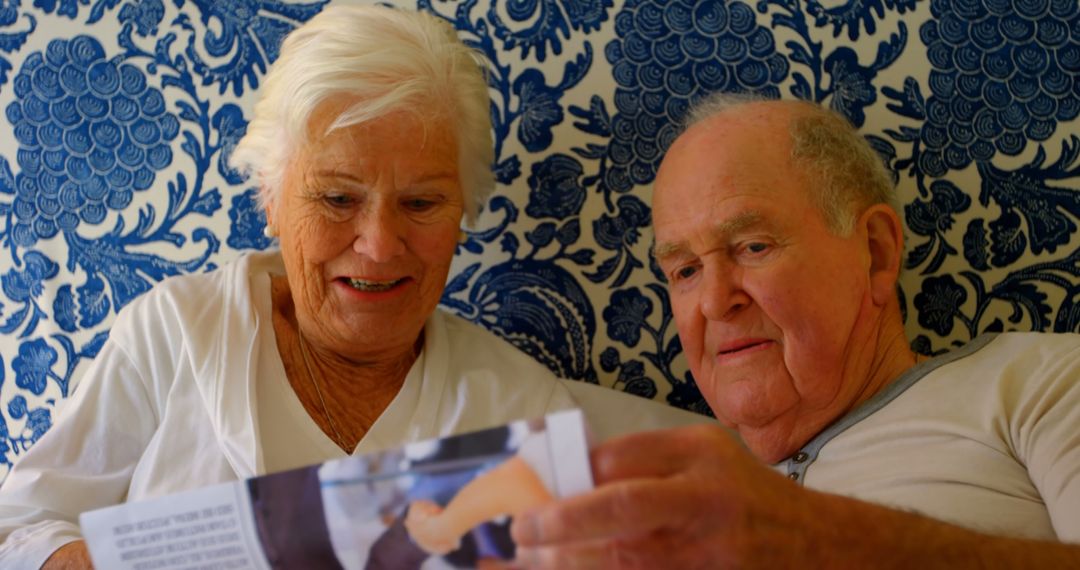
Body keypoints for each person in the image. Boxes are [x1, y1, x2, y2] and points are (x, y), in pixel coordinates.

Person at [0, 6, 705, 568]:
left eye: (422, 204)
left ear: (463, 213)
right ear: (271, 200)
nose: (378, 244)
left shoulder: (517, 408)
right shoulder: (177, 332)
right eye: (338, 199)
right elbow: (21, 521)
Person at [509, 95, 1080, 568]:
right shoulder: (654, 480)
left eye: (752, 247)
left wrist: (821, 538)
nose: (714, 301)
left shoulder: (1039, 383)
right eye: (684, 270)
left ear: (875, 255)